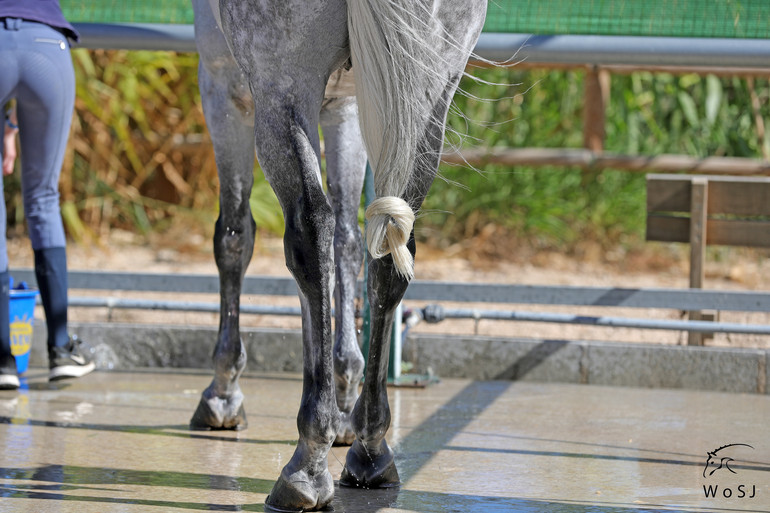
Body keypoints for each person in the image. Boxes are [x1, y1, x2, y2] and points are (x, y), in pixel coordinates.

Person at [0, 0, 94, 390]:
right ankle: (60, 348)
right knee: (43, 198)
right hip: (46, 44)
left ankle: (3, 357)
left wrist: (7, 123)